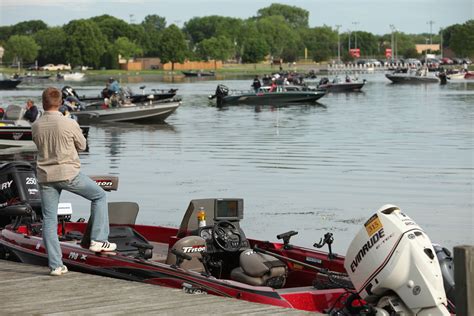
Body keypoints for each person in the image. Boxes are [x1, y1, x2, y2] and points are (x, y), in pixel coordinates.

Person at [32, 87, 116, 276]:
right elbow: (83, 145)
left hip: (46, 177)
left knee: (49, 220)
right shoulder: (69, 123)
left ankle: (56, 266)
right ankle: (98, 239)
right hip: (68, 174)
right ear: (61, 102)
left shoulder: (36, 125)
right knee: (99, 196)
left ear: (43, 103)